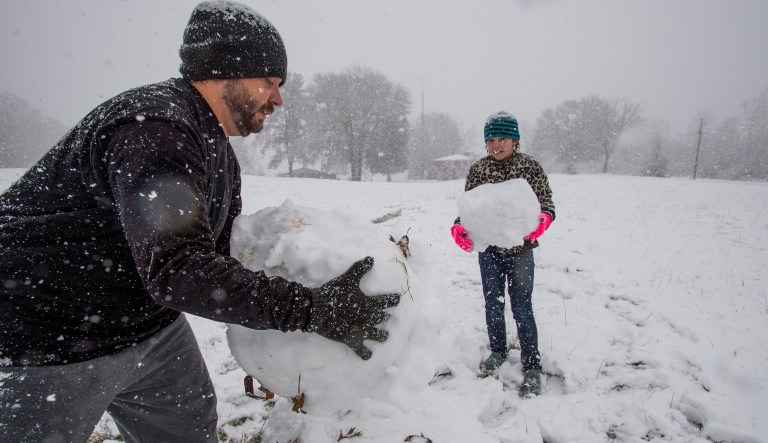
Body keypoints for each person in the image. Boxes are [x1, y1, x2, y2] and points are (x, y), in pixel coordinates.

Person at [0, 2, 399, 442]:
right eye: (269, 82)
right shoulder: (155, 129)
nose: (279, 99)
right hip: (47, 334)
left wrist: (314, 260)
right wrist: (312, 309)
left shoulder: (215, 149)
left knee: (189, 429)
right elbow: (179, 269)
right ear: (225, 70)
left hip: (149, 329)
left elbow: (220, 253)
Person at [450, 111, 555, 397]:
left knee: (522, 306)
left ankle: (532, 366)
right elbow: (469, 209)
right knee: (493, 304)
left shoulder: (530, 167)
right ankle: (497, 352)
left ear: (515, 140)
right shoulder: (478, 170)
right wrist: (459, 227)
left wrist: (543, 221)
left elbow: (547, 203)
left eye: (503, 139)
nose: (496, 145)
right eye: (491, 140)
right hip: (490, 251)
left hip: (521, 251)